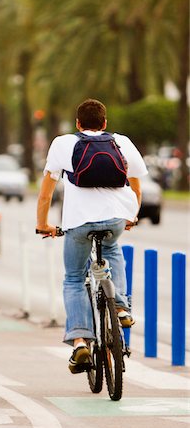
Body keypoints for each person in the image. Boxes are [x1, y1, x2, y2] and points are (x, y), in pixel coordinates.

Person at [36, 98, 147, 373]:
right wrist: (131, 216)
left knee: (74, 277)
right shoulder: (121, 142)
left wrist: (44, 225)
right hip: (115, 218)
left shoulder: (63, 144)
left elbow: (46, 193)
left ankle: (80, 341)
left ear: (78, 124)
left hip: (78, 222)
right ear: (105, 123)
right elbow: (136, 187)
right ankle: (121, 307)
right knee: (112, 250)